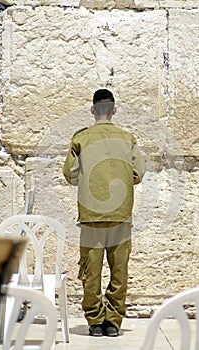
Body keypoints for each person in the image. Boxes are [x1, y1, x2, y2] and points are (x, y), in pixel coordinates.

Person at [63, 88, 146, 337]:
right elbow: (138, 173)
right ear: (114, 111)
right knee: (119, 270)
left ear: (92, 110)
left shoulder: (81, 138)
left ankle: (95, 321)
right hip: (121, 214)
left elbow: (70, 174)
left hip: (91, 216)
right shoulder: (127, 137)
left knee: (91, 271)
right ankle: (114, 322)